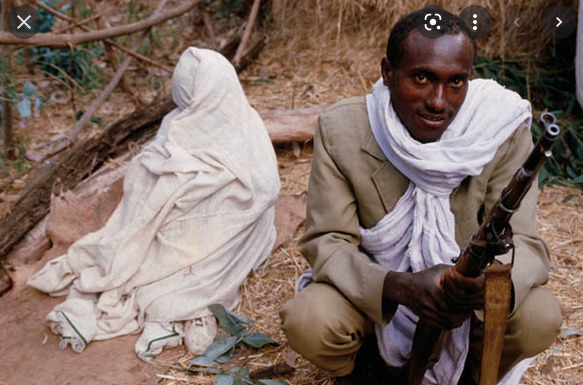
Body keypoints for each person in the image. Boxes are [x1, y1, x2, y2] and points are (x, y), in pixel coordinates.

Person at [280, 8, 562, 385]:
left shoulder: (498, 129)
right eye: (422, 78)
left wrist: (486, 289)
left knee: (539, 316)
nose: (438, 101)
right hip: (378, 299)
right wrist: (398, 286)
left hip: (465, 311)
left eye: (456, 82)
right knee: (311, 321)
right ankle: (367, 371)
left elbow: (526, 243)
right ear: (387, 72)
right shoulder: (342, 129)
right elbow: (327, 242)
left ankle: (470, 372)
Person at [28, 47, 280, 359]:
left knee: (190, 211)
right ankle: (179, 294)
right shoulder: (183, 125)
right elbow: (146, 185)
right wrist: (178, 186)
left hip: (223, 234)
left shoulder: (243, 124)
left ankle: (183, 292)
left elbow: (263, 192)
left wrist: (203, 189)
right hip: (178, 231)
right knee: (158, 190)